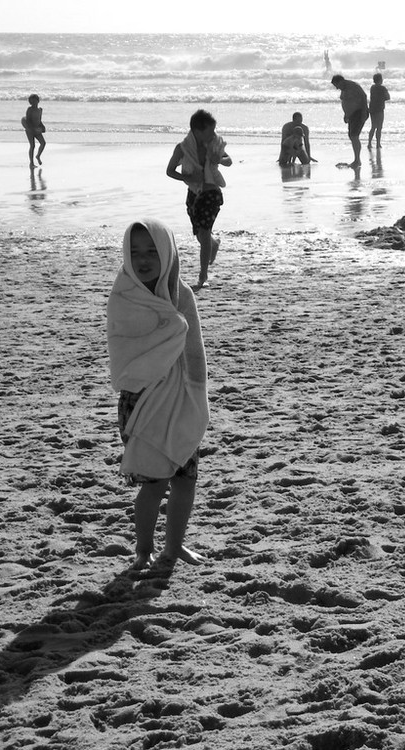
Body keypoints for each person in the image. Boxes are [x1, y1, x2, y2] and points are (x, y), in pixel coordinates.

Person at [107, 219, 210, 570]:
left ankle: (174, 546)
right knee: (155, 482)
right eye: (135, 252)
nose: (144, 259)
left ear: (167, 252)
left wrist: (197, 392)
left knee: (185, 479)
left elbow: (195, 352)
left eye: (152, 251)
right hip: (141, 401)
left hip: (182, 399)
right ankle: (143, 549)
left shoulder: (182, 294)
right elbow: (123, 355)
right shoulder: (125, 296)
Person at [166, 109, 232, 288]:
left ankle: (203, 276)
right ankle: (213, 244)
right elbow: (170, 171)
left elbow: (229, 161)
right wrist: (187, 178)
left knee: (203, 232)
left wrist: (218, 159)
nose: (214, 133)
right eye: (210, 130)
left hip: (212, 193)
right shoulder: (182, 148)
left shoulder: (214, 144)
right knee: (200, 235)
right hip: (194, 194)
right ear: (197, 130)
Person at [330, 74, 368, 168]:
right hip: (352, 115)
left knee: (354, 136)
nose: (337, 88)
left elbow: (364, 97)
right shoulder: (344, 89)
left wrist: (364, 112)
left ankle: (357, 160)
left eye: (336, 85)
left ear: (341, 81)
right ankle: (357, 159)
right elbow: (347, 102)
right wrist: (346, 114)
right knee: (352, 136)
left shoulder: (353, 86)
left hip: (359, 112)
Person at [21, 94, 46, 167]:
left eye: (34, 101)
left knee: (43, 143)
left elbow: (39, 120)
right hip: (30, 129)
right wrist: (32, 129)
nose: (33, 103)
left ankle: (38, 156)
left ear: (38, 100)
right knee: (32, 145)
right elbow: (28, 120)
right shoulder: (30, 109)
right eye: (31, 101)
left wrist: (42, 126)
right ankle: (31, 163)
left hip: (37, 129)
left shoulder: (40, 110)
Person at [368, 72, 391, 149]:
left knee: (373, 126)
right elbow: (388, 97)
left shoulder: (372, 87)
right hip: (379, 109)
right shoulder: (382, 88)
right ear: (380, 80)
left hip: (372, 109)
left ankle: (369, 143)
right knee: (379, 127)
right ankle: (378, 144)